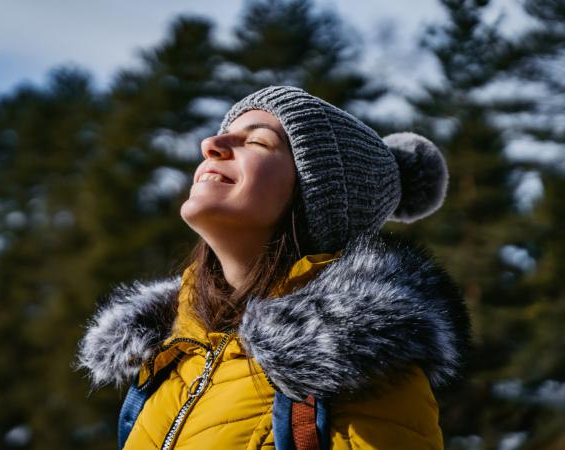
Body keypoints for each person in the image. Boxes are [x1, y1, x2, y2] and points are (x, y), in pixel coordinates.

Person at [77, 86, 470, 449]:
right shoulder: (167, 359)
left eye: (257, 141)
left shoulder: (361, 367)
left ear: (319, 199)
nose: (210, 144)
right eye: (222, 133)